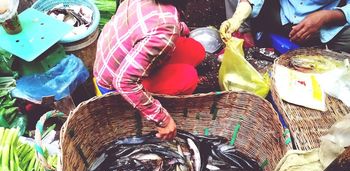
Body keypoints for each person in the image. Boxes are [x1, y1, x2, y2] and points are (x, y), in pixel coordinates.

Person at [93, 0, 205, 140]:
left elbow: (154, 20)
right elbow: (123, 81)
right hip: (114, 84)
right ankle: (165, 106)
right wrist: (163, 120)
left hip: (115, 63)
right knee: (188, 77)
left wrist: (179, 27)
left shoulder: (163, 17)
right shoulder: (165, 29)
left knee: (196, 50)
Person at [220, 0, 350, 53]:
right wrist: (239, 16)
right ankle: (245, 36)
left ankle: (325, 56)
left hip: (322, 25)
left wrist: (326, 17)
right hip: (278, 12)